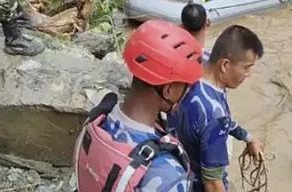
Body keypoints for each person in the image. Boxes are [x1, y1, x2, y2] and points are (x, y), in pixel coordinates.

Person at [74, 20, 203, 192]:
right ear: (168, 90)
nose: (187, 92)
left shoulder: (100, 119)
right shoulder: (167, 173)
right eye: (186, 86)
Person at [167, 25, 265, 192]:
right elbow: (212, 182)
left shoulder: (198, 64)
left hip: (177, 159)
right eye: (247, 67)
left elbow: (222, 121)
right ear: (225, 65)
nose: (248, 74)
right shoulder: (214, 116)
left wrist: (247, 137)